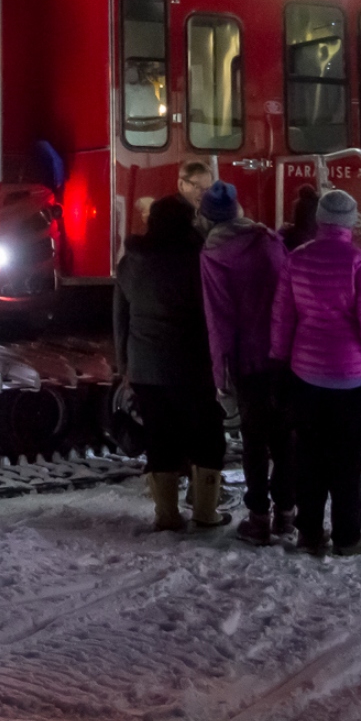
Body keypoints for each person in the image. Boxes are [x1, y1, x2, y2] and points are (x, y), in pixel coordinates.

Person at [271, 187, 361, 557]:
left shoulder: (296, 261)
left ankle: (309, 531)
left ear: (320, 221)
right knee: (346, 463)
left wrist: (278, 364)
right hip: (351, 381)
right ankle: (346, 536)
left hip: (305, 375)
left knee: (309, 457)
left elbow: (283, 320)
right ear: (350, 223)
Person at [113, 194, 230, 532]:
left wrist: (125, 366)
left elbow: (121, 317)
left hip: (146, 367)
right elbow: (212, 315)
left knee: (160, 438)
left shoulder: (131, 261)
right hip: (191, 365)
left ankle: (167, 515)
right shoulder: (198, 259)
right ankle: (206, 513)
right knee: (208, 437)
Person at [199, 181, 294, 545]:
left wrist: (219, 372)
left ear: (208, 217)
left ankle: (258, 518)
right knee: (285, 437)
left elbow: (218, 318)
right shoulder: (269, 239)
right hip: (283, 354)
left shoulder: (213, 255)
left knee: (255, 441)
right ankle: (287, 512)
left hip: (247, 359)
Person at [281, 184, 321, 251]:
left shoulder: (299, 204)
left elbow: (298, 223)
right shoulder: (319, 203)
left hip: (301, 236)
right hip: (315, 233)